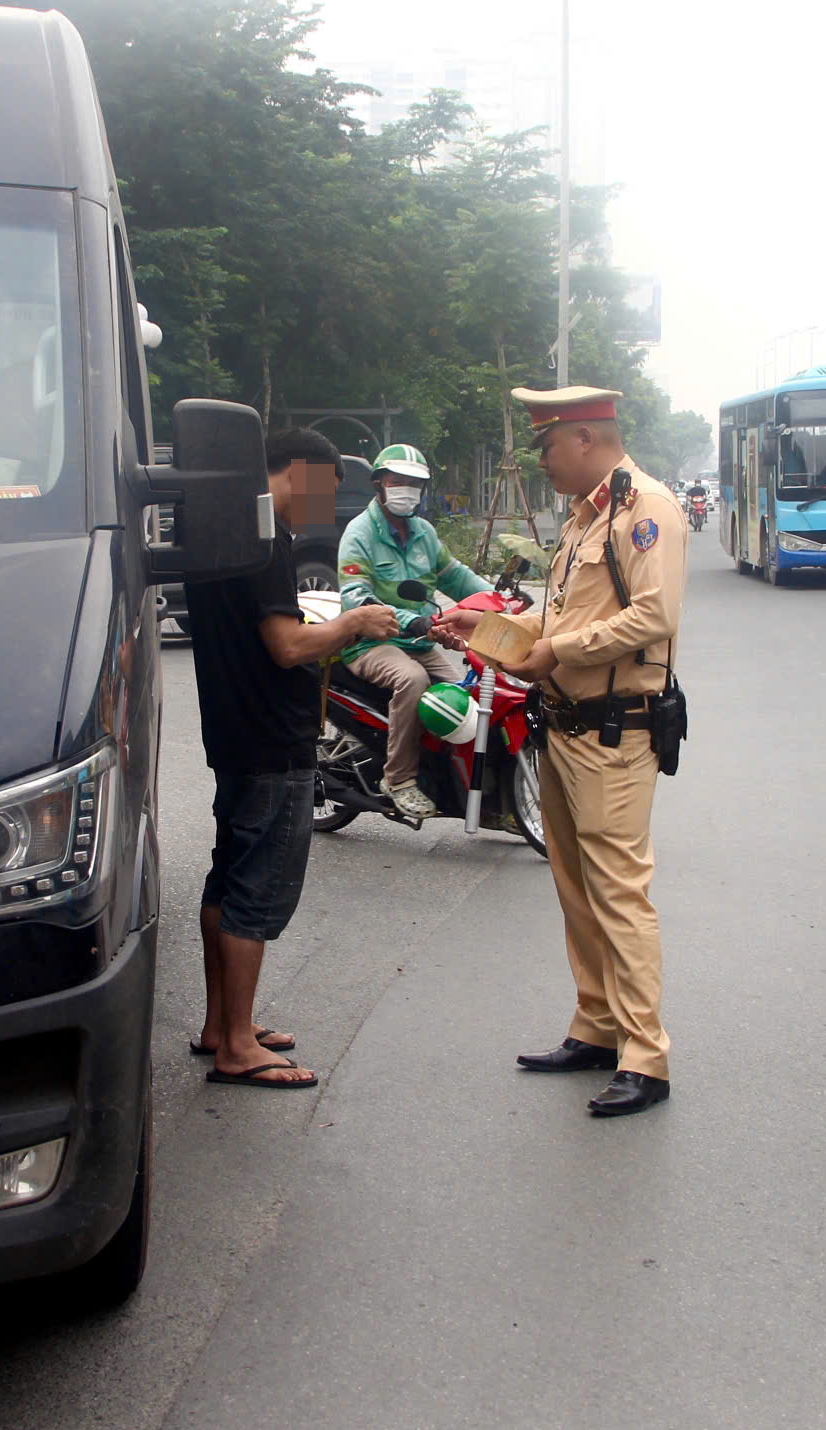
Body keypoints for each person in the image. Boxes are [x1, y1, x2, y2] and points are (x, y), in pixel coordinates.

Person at [436, 386, 687, 1118]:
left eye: (546, 447)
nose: (541, 461)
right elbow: (560, 615)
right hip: (565, 724)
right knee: (576, 888)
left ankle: (646, 1056)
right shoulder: (584, 519)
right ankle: (597, 1026)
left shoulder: (647, 510)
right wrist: (481, 626)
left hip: (616, 730)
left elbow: (653, 614)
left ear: (584, 437)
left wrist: (555, 650)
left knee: (618, 891)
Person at [182, 429, 400, 1088]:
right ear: (301, 472)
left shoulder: (224, 534)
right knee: (256, 890)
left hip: (233, 734)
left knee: (227, 879)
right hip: (271, 741)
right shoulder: (265, 542)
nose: (326, 506)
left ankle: (225, 1025)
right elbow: (285, 645)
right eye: (328, 489)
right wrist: (353, 625)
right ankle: (238, 1048)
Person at [337, 443, 492, 818]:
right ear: (379, 484)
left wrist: (495, 599)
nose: (407, 489)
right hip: (371, 643)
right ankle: (399, 778)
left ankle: (451, 779)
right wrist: (413, 621)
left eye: (415, 484)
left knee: (463, 694)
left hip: (421, 639)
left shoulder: (423, 532)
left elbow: (454, 576)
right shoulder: (359, 533)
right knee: (413, 680)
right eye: (398, 481)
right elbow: (357, 598)